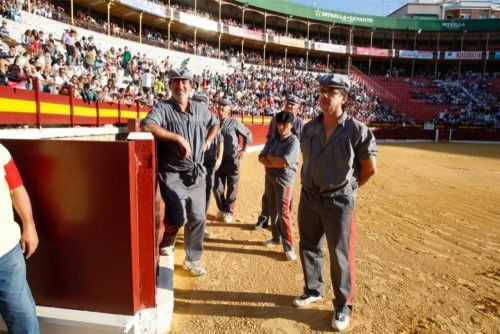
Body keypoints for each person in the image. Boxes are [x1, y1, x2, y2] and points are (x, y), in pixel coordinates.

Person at [293, 74, 377, 332]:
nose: (325, 94)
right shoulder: (309, 127)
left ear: (344, 98)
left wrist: (348, 190)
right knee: (308, 246)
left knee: (340, 255)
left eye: (332, 91)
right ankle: (313, 289)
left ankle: (343, 305)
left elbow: (370, 169)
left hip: (339, 202)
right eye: (322, 90)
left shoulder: (358, 131)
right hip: (309, 197)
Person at [141, 68, 219, 277]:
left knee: (198, 217)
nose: (180, 86)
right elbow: (147, 126)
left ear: (191, 86)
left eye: (184, 82)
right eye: (175, 82)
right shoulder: (163, 108)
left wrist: (209, 141)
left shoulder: (201, 110)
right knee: (177, 216)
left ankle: (192, 259)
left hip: (197, 173)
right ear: (170, 86)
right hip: (173, 173)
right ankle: (170, 235)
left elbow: (215, 123)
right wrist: (177, 138)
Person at [0, 143, 40, 333]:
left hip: (6, 254)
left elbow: (16, 188)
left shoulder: (1, 152)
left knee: (22, 317)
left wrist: (29, 225)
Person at [255, 94, 304, 230]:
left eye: (292, 104)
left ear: (298, 108)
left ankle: (282, 223)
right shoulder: (275, 119)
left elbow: (300, 144)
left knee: (286, 196)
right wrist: (269, 157)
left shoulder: (299, 123)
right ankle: (264, 218)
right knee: (268, 193)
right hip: (272, 161)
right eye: (288, 103)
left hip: (287, 165)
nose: (289, 106)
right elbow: (270, 138)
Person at [258, 111, 300, 261]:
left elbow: (283, 162)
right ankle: (276, 238)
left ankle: (289, 247)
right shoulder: (274, 139)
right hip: (270, 177)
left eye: (285, 124)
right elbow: (260, 157)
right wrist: (272, 160)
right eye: (279, 124)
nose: (281, 127)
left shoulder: (293, 141)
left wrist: (270, 159)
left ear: (291, 125)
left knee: (283, 212)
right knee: (273, 209)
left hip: (284, 180)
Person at [213, 98, 252, 224]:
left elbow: (248, 134)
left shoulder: (234, 122)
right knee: (217, 187)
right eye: (219, 105)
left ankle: (229, 211)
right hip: (218, 161)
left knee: (232, 187)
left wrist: (244, 149)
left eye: (224, 106)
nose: (221, 108)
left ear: (229, 109)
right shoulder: (214, 122)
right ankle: (223, 208)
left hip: (232, 161)